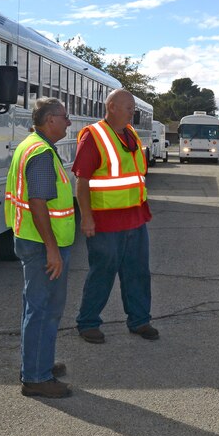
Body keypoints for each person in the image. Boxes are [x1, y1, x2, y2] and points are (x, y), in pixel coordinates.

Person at [72, 89, 158, 344]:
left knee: (138, 272)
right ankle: (88, 323)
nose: (134, 112)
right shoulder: (93, 136)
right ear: (111, 107)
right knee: (103, 271)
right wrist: (86, 217)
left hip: (135, 218)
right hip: (106, 221)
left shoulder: (129, 133)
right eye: (129, 107)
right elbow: (82, 181)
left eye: (133, 107)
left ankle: (140, 320)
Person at [5, 97, 75, 398]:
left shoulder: (32, 144)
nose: (69, 122)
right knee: (44, 309)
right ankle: (36, 377)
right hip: (42, 244)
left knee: (37, 306)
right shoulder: (42, 154)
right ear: (50, 120)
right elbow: (38, 202)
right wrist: (52, 249)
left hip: (30, 238)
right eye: (65, 117)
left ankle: (37, 363)